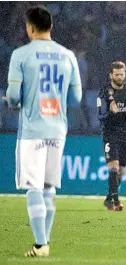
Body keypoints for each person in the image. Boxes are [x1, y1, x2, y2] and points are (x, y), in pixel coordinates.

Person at [2, 5, 82, 257]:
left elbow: (14, 96)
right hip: (58, 129)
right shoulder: (68, 55)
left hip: (33, 129)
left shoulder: (21, 55)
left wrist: (14, 102)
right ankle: (44, 242)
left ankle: (40, 244)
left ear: (30, 27)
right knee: (48, 188)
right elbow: (77, 97)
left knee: (33, 188)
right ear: (51, 27)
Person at [97, 61, 126, 211]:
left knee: (121, 170)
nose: (120, 77)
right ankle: (115, 201)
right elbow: (100, 115)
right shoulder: (104, 91)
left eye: (122, 74)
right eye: (117, 75)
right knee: (113, 166)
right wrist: (110, 111)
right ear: (111, 75)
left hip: (125, 134)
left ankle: (109, 198)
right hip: (110, 133)